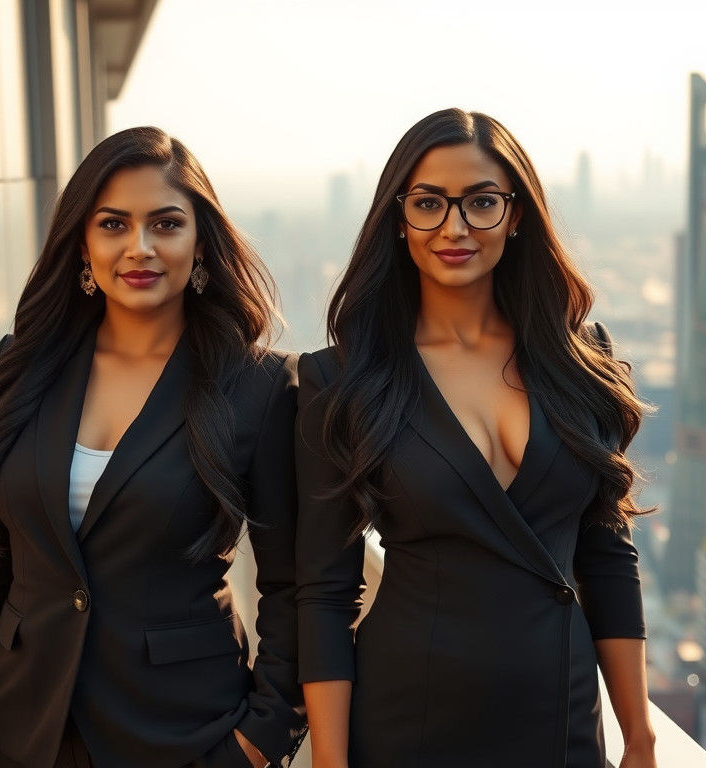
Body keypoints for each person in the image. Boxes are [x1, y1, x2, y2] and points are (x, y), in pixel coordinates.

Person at [0, 127, 307, 768]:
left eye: (165, 223)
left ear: (200, 242)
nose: (140, 247)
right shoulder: (21, 367)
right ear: (83, 241)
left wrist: (260, 740)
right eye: (113, 224)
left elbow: (295, 585)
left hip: (185, 736)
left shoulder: (259, 386)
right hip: (21, 734)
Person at [295, 109, 656, 768]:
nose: (455, 228)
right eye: (429, 203)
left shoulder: (582, 360)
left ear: (516, 215)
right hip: (411, 720)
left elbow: (607, 557)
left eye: (481, 202)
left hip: (561, 719)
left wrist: (640, 737)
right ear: (398, 216)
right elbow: (323, 591)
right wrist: (330, 762)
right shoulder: (341, 378)